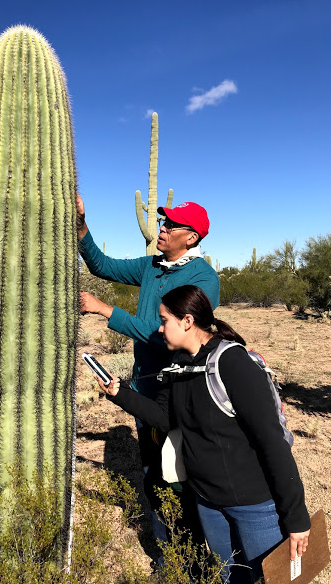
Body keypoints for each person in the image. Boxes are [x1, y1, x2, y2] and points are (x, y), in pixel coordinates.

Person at [94, 284, 311, 584]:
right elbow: (164, 418)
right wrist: (120, 393)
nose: (159, 329)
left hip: (254, 505)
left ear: (187, 321)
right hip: (208, 501)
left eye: (163, 320)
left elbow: (272, 442)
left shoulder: (232, 363)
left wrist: (296, 517)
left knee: (274, 579)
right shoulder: (179, 366)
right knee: (230, 577)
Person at [77, 194, 220, 559]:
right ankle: (164, 555)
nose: (162, 228)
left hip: (178, 392)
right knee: (153, 473)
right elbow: (103, 265)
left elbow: (167, 337)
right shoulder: (153, 266)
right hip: (143, 387)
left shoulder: (203, 278)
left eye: (171, 225)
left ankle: (190, 556)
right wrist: (81, 225)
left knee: (181, 476)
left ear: (191, 238)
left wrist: (105, 309)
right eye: (162, 222)